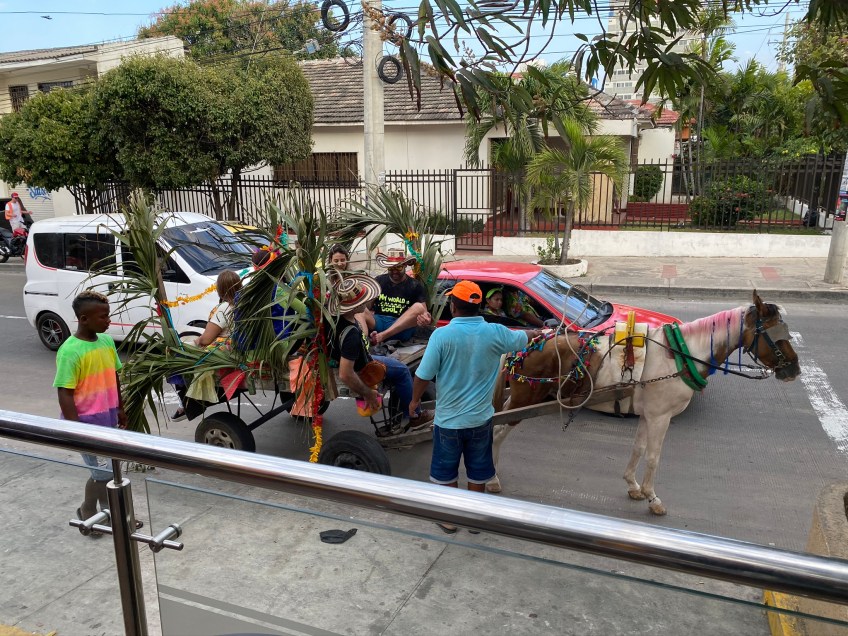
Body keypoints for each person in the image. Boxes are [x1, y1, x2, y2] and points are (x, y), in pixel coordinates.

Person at [409, 280, 545, 534]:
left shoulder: (442, 335)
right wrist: (539, 332)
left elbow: (423, 375)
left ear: (453, 307)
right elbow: (523, 338)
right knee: (478, 470)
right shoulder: (495, 333)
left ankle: (450, 520)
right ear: (480, 306)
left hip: (448, 422)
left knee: (446, 472)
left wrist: (414, 401)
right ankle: (473, 519)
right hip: (481, 421)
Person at [53, 290, 141, 536]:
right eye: (103, 317)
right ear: (84, 319)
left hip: (108, 419)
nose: (108, 320)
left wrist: (121, 408)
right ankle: (105, 516)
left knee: (106, 471)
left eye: (108, 315)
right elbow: (65, 392)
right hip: (86, 424)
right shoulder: (70, 351)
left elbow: (114, 376)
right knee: (104, 474)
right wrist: (77, 429)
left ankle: (92, 512)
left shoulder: (107, 342)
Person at [329, 272, 433, 433]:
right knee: (402, 370)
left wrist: (367, 340)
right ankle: (415, 416)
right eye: (363, 300)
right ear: (355, 306)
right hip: (364, 364)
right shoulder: (351, 334)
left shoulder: (341, 320)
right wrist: (367, 393)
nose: (367, 301)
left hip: (361, 353)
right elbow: (345, 374)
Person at [171, 270, 242, 421]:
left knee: (178, 356)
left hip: (226, 350)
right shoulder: (244, 304)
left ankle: (185, 403)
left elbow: (206, 339)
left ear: (220, 289)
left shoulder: (224, 308)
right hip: (239, 348)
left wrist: (194, 343)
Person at [366, 253, 432, 345]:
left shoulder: (415, 285)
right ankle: (362, 341)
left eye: (398, 268)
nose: (394, 271)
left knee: (418, 307)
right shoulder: (379, 280)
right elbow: (367, 306)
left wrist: (426, 319)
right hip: (379, 322)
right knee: (359, 309)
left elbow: (423, 312)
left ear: (405, 266)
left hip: (400, 328)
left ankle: (383, 336)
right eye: (391, 268)